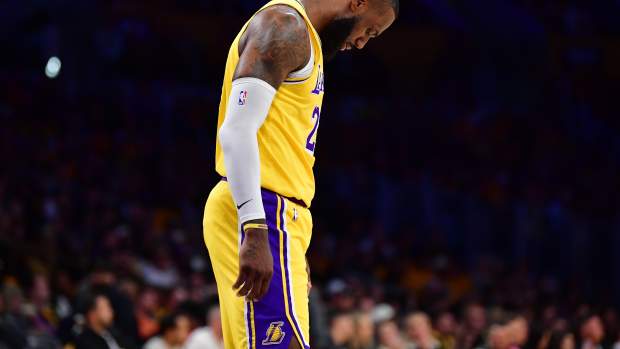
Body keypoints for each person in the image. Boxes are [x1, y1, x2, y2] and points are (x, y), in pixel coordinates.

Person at [202, 0, 398, 347]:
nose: (363, 42)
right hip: (262, 209)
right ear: (357, 2)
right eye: (368, 29)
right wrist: (257, 229)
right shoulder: (283, 26)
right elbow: (236, 130)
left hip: (279, 217)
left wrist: (288, 243)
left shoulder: (306, 39)